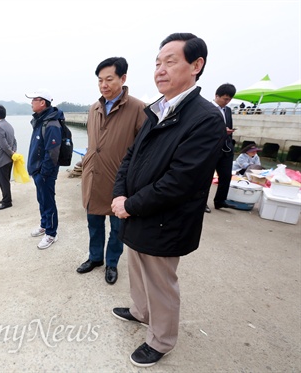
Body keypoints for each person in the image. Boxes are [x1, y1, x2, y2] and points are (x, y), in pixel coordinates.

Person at [110, 33, 226, 367]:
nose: (160, 70)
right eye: (158, 63)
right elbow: (130, 156)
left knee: (161, 282)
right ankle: (139, 311)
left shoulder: (204, 118)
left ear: (196, 65)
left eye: (170, 61)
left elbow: (180, 181)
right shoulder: (158, 110)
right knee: (136, 268)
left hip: (165, 220)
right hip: (136, 212)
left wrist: (129, 204)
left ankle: (161, 340)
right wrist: (120, 193)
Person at [76, 57, 146, 285]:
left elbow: (143, 151)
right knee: (93, 224)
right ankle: (95, 257)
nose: (103, 85)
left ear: (123, 78)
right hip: (94, 179)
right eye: (99, 80)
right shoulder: (94, 108)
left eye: (109, 79)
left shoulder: (138, 109)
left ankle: (112, 263)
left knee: (118, 229)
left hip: (120, 183)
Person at [25, 89, 64, 250]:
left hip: (45, 172)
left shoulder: (52, 123)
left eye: (34, 99)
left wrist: (43, 173)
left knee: (48, 201)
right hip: (38, 171)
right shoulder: (41, 120)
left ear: (43, 103)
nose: (31, 102)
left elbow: (52, 153)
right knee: (42, 200)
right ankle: (44, 224)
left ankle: (51, 233)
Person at [205, 83, 237, 213]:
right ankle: (202, 203)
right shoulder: (206, 109)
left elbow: (228, 125)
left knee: (225, 176)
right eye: (225, 99)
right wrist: (220, 130)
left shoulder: (228, 110)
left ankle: (220, 201)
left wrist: (228, 132)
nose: (227, 102)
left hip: (226, 148)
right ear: (216, 96)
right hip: (211, 148)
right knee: (206, 177)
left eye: (229, 99)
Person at [0, 105, 17, 210]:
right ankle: (5, 197)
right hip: (9, 159)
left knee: (3, 181)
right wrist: (14, 152)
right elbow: (14, 141)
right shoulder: (9, 126)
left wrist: (11, 153)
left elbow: (4, 145)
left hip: (1, 159)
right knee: (6, 180)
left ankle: (7, 201)